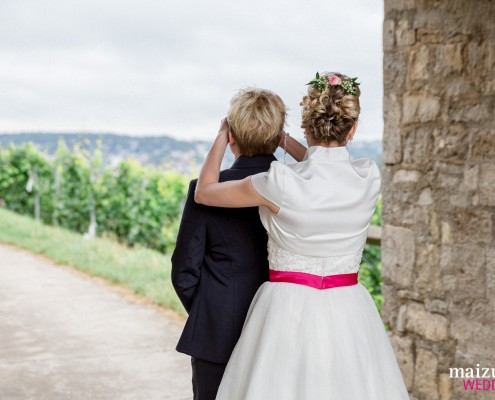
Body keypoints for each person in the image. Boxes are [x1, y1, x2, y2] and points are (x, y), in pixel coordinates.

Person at [194, 72, 410, 399]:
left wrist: (223, 136)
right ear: (352, 129)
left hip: (285, 310)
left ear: (306, 129)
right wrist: (289, 141)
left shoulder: (279, 182)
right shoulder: (368, 177)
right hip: (348, 310)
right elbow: (323, 166)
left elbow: (205, 192)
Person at [171, 88, 287, 400]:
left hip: (217, 333)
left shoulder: (207, 191)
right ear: (279, 137)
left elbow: (183, 271)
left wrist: (210, 311)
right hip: (283, 333)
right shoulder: (299, 187)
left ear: (231, 136)